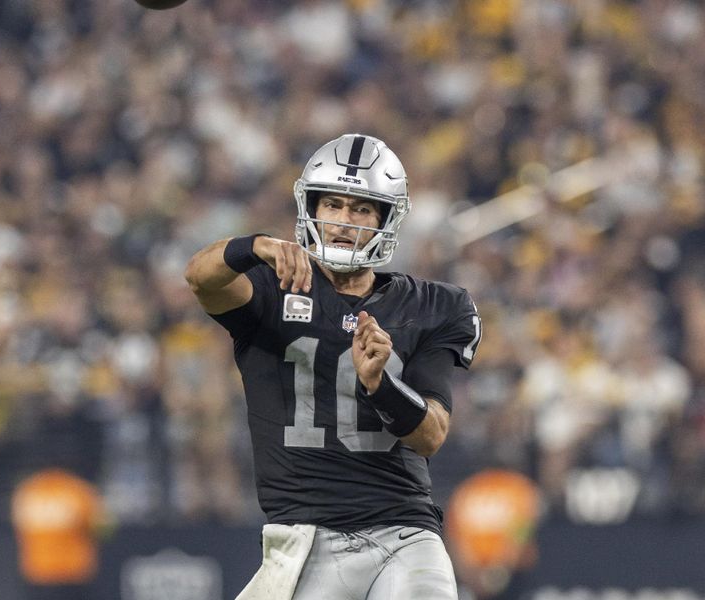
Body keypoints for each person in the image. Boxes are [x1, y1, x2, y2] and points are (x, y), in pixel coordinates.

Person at [185, 133, 482, 599]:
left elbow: (431, 435)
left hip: (404, 535)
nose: (345, 221)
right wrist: (253, 246)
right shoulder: (271, 288)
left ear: (386, 219)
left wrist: (381, 385)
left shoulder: (434, 305)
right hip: (305, 539)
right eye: (333, 205)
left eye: (362, 209)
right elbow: (200, 279)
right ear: (312, 209)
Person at [11, 467, 113, 600]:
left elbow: (18, 529)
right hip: (73, 572)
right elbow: (104, 530)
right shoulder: (78, 489)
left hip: (39, 572)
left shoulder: (28, 491)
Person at [445, 469, 542, 600]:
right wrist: (496, 570)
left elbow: (455, 541)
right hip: (500, 574)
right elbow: (522, 532)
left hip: (508, 575)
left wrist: (491, 572)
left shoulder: (468, 488)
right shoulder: (518, 484)